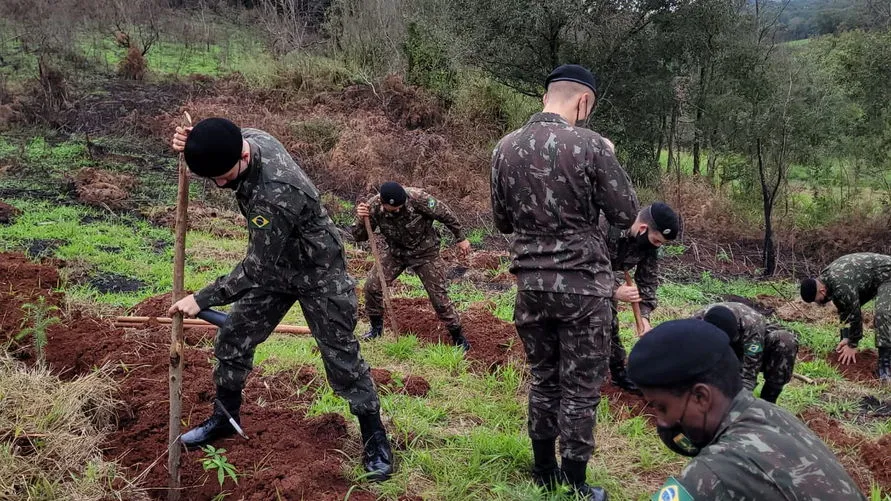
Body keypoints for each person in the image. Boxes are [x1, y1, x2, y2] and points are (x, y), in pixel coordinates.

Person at [167, 117, 393, 480]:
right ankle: (225, 418)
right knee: (233, 336)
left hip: (319, 271)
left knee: (341, 357)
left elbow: (255, 268)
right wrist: (192, 142)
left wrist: (202, 298)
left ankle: (375, 438)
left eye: (224, 176)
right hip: (277, 265)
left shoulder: (275, 195)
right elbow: (219, 136)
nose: (220, 184)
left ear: (243, 155)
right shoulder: (249, 138)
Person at [491, 63, 639, 500]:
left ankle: (543, 472)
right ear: (584, 101)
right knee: (580, 388)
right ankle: (574, 485)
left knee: (543, 380)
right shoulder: (592, 146)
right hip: (583, 289)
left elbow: (501, 221)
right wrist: (606, 155)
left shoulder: (503, 148)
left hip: (530, 287)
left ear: (545, 98)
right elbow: (627, 214)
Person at [627, 319, 865, 500]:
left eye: (661, 407)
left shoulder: (714, 472)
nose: (661, 421)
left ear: (701, 397)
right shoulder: (770, 414)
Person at [352, 182, 471, 350]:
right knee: (372, 286)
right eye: (393, 209)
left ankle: (458, 336)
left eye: (400, 207)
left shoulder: (419, 198)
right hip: (396, 253)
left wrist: (461, 238)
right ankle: (376, 329)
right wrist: (361, 219)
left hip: (425, 253)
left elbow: (445, 214)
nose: (398, 211)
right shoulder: (372, 206)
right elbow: (359, 237)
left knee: (439, 298)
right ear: (383, 203)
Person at [600, 202, 680, 395]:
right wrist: (614, 290)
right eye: (657, 241)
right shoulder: (604, 224)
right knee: (593, 319)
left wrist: (644, 317)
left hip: (605, 277)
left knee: (609, 322)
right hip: (574, 277)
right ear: (643, 228)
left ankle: (619, 373)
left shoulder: (649, 244)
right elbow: (583, 264)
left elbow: (647, 281)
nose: (658, 246)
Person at [800, 252, 891, 382]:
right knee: (847, 306)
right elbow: (845, 309)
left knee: (883, 314)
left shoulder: (840, 283)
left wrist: (852, 344)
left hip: (888, 275)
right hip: (872, 279)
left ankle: (885, 367)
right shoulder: (826, 279)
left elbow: (855, 314)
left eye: (818, 300)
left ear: (822, 291)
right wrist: (846, 338)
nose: (819, 303)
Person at [694, 302, 798, 403]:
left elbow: (749, 374)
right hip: (719, 353)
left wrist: (740, 407)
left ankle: (769, 400)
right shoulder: (696, 324)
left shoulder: (752, 323)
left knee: (785, 340)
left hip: (751, 349)